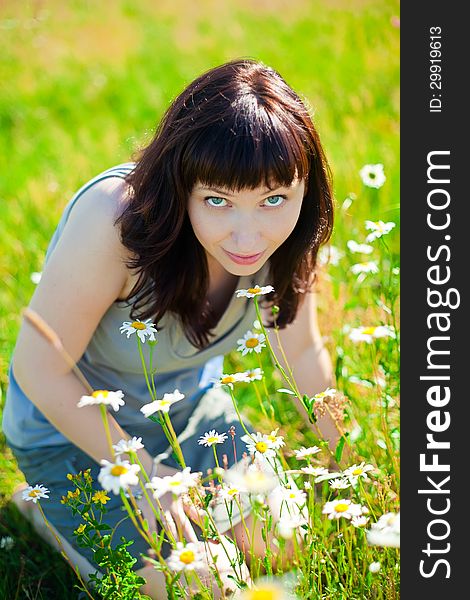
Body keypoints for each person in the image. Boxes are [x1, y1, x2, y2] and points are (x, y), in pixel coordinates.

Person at [3, 57, 338, 598]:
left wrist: (344, 457)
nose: (248, 233)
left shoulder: (292, 241)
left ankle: (197, 523)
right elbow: (38, 368)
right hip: (72, 433)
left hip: (187, 416)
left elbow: (302, 355)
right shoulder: (117, 221)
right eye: (218, 200)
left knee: (285, 542)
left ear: (305, 190)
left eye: (273, 198)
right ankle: (44, 514)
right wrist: (145, 476)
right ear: (181, 185)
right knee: (202, 585)